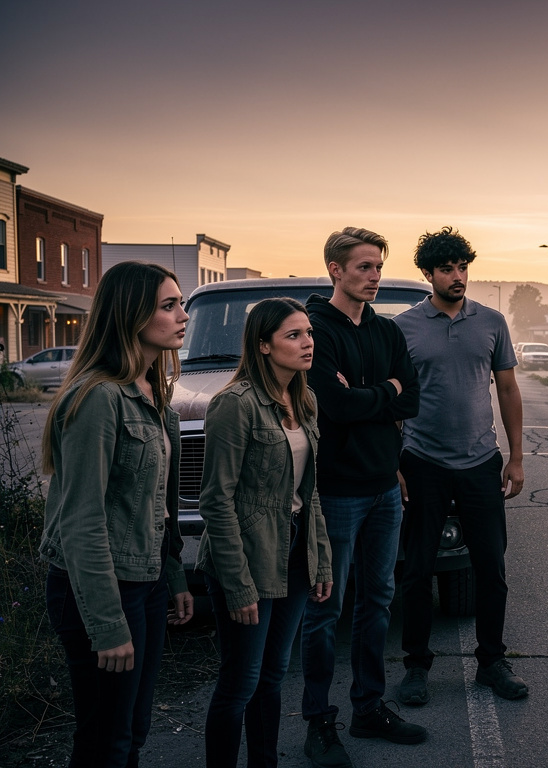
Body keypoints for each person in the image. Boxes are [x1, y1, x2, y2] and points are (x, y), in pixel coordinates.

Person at [39, 261, 194, 767]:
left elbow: (157, 509)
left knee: (133, 729)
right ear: (130, 315)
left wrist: (172, 577)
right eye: (168, 305)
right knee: (106, 739)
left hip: (143, 584)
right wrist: (106, 624)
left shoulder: (157, 398)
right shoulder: (98, 398)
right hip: (100, 589)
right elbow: (80, 521)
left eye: (181, 303)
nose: (182, 315)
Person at [301, 227, 426, 767]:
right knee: (324, 610)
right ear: (335, 269)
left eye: (378, 267)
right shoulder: (316, 330)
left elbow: (412, 398)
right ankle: (318, 723)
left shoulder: (388, 332)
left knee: (378, 603)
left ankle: (368, 708)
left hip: (383, 489)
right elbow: (334, 405)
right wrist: (385, 395)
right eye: (363, 267)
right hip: (336, 492)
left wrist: (372, 396)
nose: (374, 276)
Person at [196, 298, 333, 768]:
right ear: (263, 345)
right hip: (248, 555)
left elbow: (308, 492)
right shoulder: (234, 405)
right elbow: (216, 500)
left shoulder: (304, 399)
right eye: (293, 335)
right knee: (241, 682)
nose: (307, 342)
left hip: (294, 551)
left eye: (309, 332)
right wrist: (237, 584)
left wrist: (321, 558)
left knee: (274, 676)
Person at [393, 226, 527, 705]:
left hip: (479, 462)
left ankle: (491, 662)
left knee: (491, 567)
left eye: (462, 267)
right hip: (422, 460)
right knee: (417, 570)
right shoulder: (404, 327)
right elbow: (393, 399)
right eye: (447, 268)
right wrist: (396, 461)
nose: (457, 276)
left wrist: (515, 456)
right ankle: (416, 667)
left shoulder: (491, 322)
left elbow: (507, 390)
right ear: (428, 274)